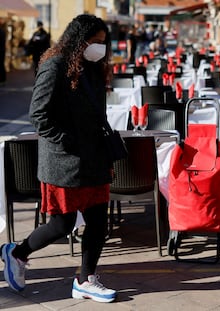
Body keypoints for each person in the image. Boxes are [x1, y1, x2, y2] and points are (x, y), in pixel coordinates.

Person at [1, 14, 116, 303]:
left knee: (99, 222)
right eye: (95, 42)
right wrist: (69, 141)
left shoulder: (93, 68)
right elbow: (38, 115)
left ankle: (86, 279)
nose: (100, 48)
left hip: (94, 159)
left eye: (104, 43)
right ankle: (16, 253)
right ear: (79, 39)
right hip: (65, 161)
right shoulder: (54, 65)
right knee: (62, 225)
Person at [0, 18, 6, 85]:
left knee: (1, 65)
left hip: (1, 50)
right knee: (1, 65)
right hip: (2, 50)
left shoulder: (1, 31)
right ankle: (2, 80)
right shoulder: (3, 31)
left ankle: (2, 80)